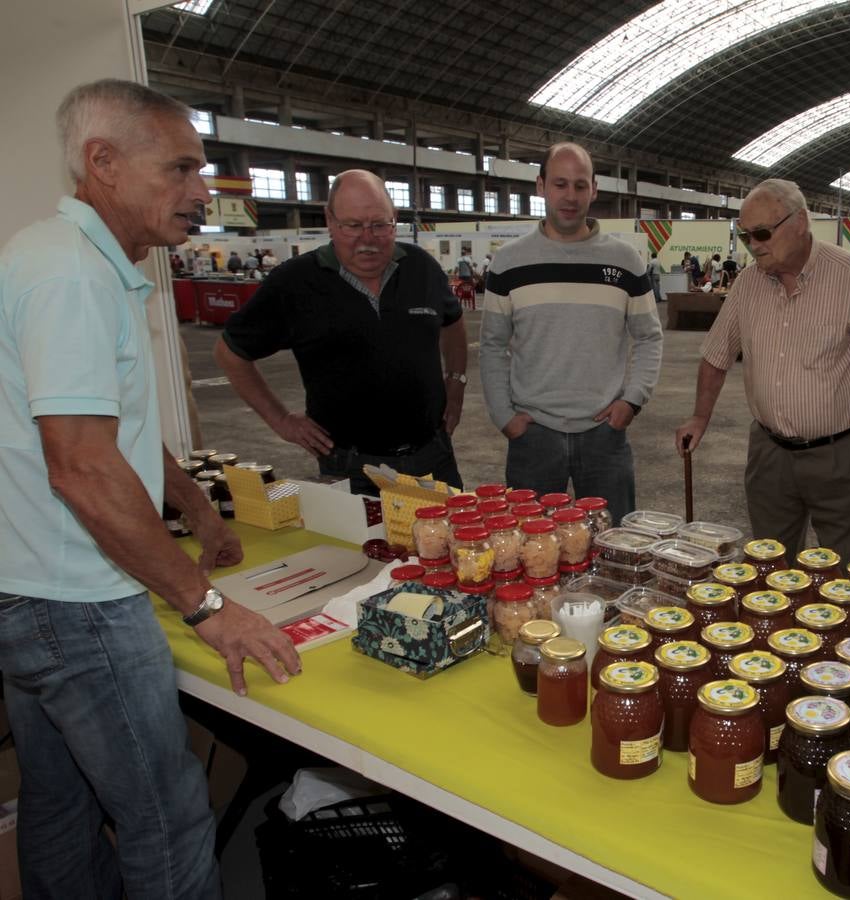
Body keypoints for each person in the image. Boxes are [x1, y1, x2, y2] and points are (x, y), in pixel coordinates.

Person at [0, 78, 301, 900]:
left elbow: (110, 428)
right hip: (81, 604)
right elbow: (81, 466)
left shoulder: (68, 260)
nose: (202, 192)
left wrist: (198, 508)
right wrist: (207, 607)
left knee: (62, 799)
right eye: (180, 169)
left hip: (33, 589)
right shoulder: (72, 276)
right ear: (103, 163)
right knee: (166, 817)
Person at [675, 178, 850, 564]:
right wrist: (699, 416)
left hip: (841, 453)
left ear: (799, 223)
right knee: (769, 568)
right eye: (746, 236)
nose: (753, 245)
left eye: (762, 233)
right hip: (770, 455)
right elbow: (716, 355)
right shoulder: (747, 284)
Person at [215, 169, 467, 495]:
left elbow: (453, 320)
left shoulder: (421, 267)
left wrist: (456, 381)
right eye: (353, 225)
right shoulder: (294, 282)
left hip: (434, 457)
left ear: (394, 219)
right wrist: (281, 420)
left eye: (379, 225)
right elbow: (230, 353)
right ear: (330, 221)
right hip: (351, 468)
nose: (367, 239)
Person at [481, 142, 662, 521]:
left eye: (580, 185)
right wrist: (504, 417)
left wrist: (631, 401)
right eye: (560, 184)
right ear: (541, 186)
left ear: (594, 189)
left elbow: (649, 336)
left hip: (605, 435)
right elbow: (492, 345)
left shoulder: (625, 261)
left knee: (613, 542)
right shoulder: (508, 262)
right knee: (531, 547)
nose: (570, 196)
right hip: (533, 436)